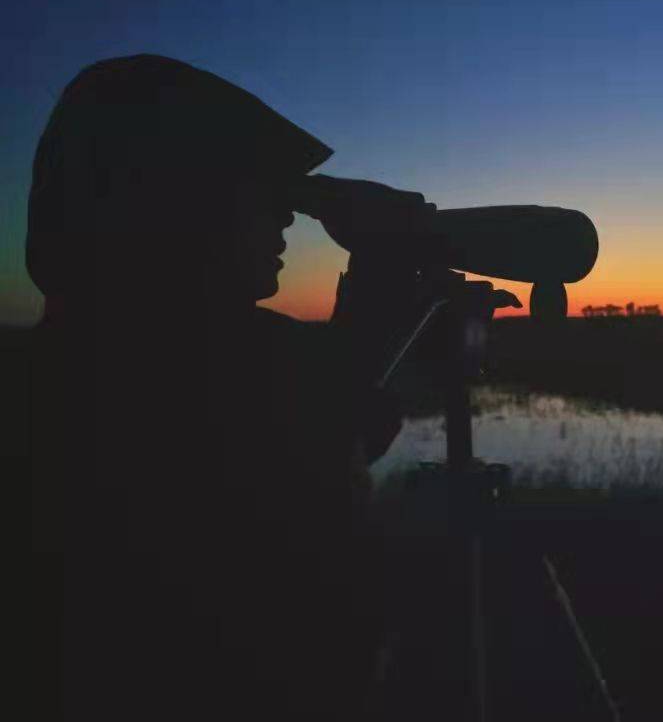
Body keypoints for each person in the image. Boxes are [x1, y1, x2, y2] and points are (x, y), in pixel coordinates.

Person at [27, 54, 507, 720]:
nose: (286, 220)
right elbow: (296, 481)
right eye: (261, 192)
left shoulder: (59, 366)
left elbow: (321, 434)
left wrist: (379, 320)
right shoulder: (238, 370)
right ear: (170, 200)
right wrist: (384, 280)